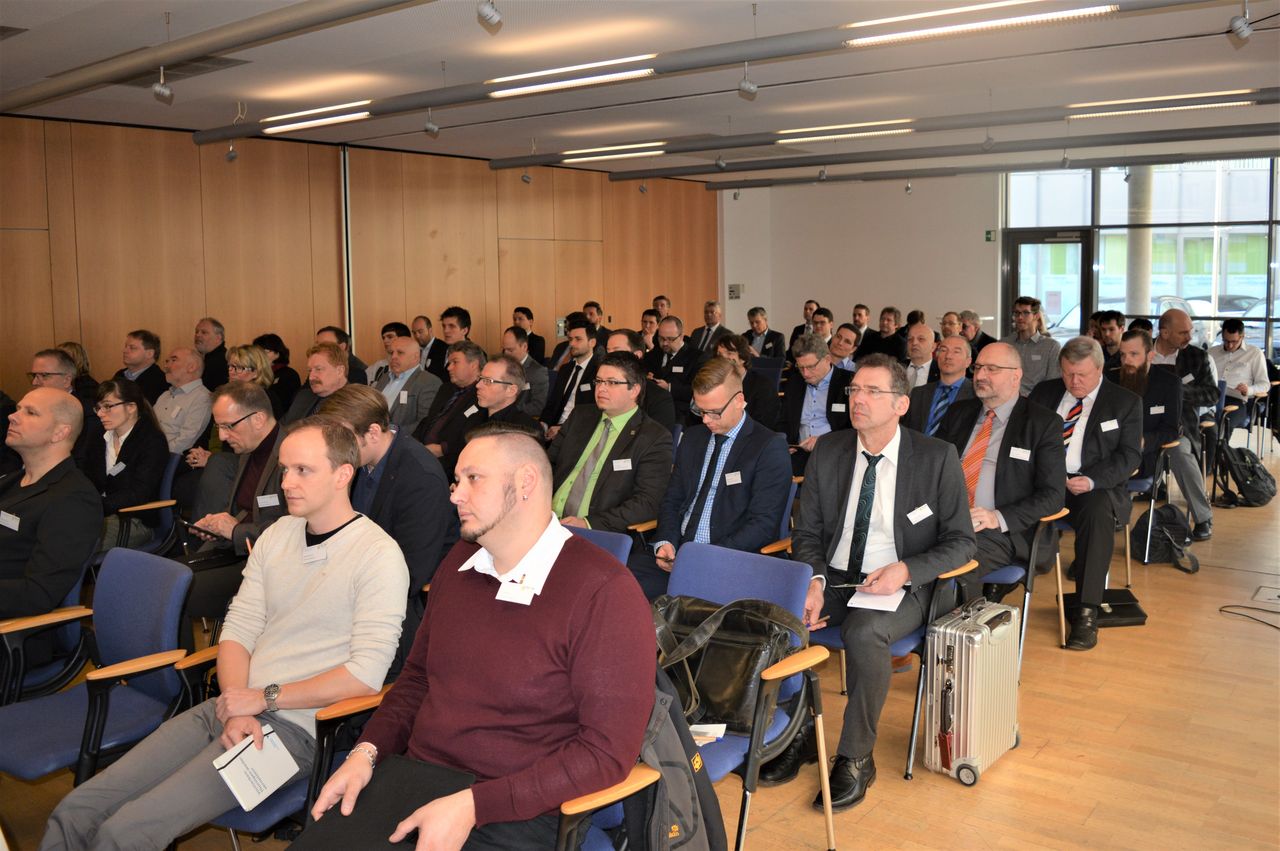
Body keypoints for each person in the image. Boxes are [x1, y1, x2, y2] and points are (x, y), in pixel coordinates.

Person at [42, 419, 409, 851]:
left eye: (303, 470)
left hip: (298, 733)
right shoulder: (278, 534)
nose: (286, 482)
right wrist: (237, 704)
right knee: (77, 808)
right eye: (285, 469)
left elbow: (364, 676)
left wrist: (262, 699)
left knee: (125, 832)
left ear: (343, 474)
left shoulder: (378, 555)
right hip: (231, 707)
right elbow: (239, 627)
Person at [309, 422, 655, 849]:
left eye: (473, 479)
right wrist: (366, 753)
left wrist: (475, 805)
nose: (455, 495)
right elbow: (416, 681)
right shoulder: (461, 561)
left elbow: (605, 753)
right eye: (457, 480)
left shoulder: (604, 591)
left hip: (518, 808)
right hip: (418, 778)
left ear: (525, 482)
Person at [768, 355, 974, 807]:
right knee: (783, 618)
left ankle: (856, 756)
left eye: (872, 392)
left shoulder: (935, 457)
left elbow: (962, 541)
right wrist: (814, 581)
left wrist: (906, 570)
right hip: (837, 577)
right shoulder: (830, 450)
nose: (858, 399)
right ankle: (798, 735)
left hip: (902, 584)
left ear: (901, 404)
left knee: (864, 632)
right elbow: (807, 533)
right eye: (854, 390)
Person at [320, 385, 457, 677]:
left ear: (372, 432)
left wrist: (338, 590)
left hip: (398, 606)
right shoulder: (359, 461)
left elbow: (411, 573)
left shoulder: (420, 477)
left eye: (343, 438)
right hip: (355, 583)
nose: (335, 448)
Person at [634, 357, 791, 599]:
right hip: (680, 553)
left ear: (739, 400)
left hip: (729, 561)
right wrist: (666, 541)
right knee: (617, 582)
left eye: (714, 412)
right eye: (700, 410)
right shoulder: (693, 438)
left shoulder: (768, 447)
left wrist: (703, 558)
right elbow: (672, 500)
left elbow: (763, 524)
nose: (706, 420)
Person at [1028, 337, 1142, 650]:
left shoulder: (1124, 402)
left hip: (1090, 487)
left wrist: (1092, 480)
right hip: (1043, 482)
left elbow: (1130, 456)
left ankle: (1087, 611)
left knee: (1097, 512)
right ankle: (996, 584)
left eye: (1082, 375)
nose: (1074, 381)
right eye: (1068, 374)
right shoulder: (1044, 393)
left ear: (1100, 369)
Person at [935, 342, 1065, 601]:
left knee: (946, 565)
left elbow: (1053, 495)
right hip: (945, 519)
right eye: (978, 368)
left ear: (1016, 376)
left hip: (1000, 532)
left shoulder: (1042, 423)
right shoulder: (959, 413)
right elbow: (933, 469)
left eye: (992, 369)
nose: (980, 375)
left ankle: (960, 623)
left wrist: (998, 517)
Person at [1, 388, 102, 629]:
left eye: (30, 412)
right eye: (18, 409)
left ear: (60, 432)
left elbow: (38, 594)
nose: (12, 416)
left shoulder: (74, 499)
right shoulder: (13, 481)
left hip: (17, 628)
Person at [548, 352, 672, 533]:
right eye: (598, 381)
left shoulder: (654, 438)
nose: (601, 389)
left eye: (612, 383)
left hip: (596, 531)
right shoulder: (580, 416)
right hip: (547, 520)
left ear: (634, 390)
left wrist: (588, 523)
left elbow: (646, 503)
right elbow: (548, 465)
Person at [1152, 308, 1218, 541]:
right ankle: (1114, 514)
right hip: (1142, 426)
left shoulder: (1196, 357)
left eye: (1190, 331)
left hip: (1179, 428)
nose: (1189, 337)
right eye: (1183, 333)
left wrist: (1178, 391)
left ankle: (1202, 517)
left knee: (1180, 452)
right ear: (1164, 332)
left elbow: (1212, 394)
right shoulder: (1141, 352)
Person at [87, 380, 170, 551]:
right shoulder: (99, 435)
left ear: (131, 407)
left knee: (72, 543)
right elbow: (85, 476)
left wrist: (96, 506)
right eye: (98, 408)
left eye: (107, 406)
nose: (100, 413)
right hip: (97, 513)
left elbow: (139, 493)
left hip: (134, 519)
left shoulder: (152, 440)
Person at [1110, 329, 1182, 479]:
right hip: (1108, 449)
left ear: (1150, 356)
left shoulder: (1169, 384)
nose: (1126, 361)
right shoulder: (1110, 380)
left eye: (1134, 354)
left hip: (1144, 454)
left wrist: (1144, 440)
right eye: (1123, 355)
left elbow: (1170, 430)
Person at [781, 333, 854, 476]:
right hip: (799, 452)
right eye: (801, 367)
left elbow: (854, 429)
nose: (805, 374)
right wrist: (784, 443)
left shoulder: (848, 382)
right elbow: (783, 420)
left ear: (827, 359)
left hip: (835, 453)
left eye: (810, 367)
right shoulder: (795, 382)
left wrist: (823, 441)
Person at [414, 341, 488, 480]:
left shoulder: (483, 394)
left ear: (474, 365)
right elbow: (428, 420)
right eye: (449, 363)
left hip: (451, 462)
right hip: (424, 454)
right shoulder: (446, 389)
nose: (449, 368)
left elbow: (474, 433)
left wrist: (443, 449)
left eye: (455, 362)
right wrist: (414, 442)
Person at [28, 348, 102, 472]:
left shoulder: (86, 415)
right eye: (34, 376)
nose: (35, 382)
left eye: (44, 376)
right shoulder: (28, 410)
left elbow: (83, 463)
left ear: (67, 380)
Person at [542, 315, 600, 439]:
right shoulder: (565, 369)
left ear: (592, 342)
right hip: (554, 428)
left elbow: (594, 413)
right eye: (570, 339)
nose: (571, 344)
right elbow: (552, 403)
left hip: (578, 432)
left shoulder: (599, 371)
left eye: (578, 339)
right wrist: (544, 424)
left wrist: (563, 429)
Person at [1209, 317, 1270, 433]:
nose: (1230, 345)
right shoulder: (1211, 352)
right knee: (1200, 421)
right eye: (1226, 341)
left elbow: (1265, 385)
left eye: (1234, 341)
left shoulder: (1254, 353)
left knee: (1224, 424)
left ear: (1242, 337)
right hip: (1211, 397)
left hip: (1236, 400)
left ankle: (1221, 445)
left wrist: (1249, 390)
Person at [904, 335, 974, 435]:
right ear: (937, 357)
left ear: (968, 361)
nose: (948, 356)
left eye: (956, 352)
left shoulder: (976, 395)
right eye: (943, 350)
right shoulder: (918, 393)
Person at [607, 330, 676, 430]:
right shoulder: (601, 389)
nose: (608, 358)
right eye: (608, 351)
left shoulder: (658, 398)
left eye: (616, 351)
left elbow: (657, 436)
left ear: (637, 355)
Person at [372, 335, 441, 436]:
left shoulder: (428, 382)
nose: (393, 357)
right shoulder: (384, 378)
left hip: (401, 440)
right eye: (391, 353)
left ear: (415, 357)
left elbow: (425, 423)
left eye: (400, 353)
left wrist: (390, 434)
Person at [715, 333, 780, 430]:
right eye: (719, 355)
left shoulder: (763, 386)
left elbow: (764, 423)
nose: (723, 358)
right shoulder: (714, 382)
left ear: (743, 358)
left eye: (729, 353)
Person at [154, 347, 212, 454]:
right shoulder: (164, 395)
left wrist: (153, 451)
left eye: (173, 360)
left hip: (170, 458)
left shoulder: (202, 397)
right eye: (167, 361)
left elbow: (185, 442)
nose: (166, 366)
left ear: (191, 367)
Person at [644, 315, 703, 419]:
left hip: (681, 415)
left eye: (670, 339)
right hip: (653, 411)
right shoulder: (652, 355)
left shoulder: (697, 357)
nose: (665, 343)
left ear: (681, 336)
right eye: (661, 338)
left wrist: (669, 388)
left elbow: (698, 391)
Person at [1002, 297, 1061, 395]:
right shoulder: (1004, 344)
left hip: (1037, 399)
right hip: (1007, 397)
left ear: (1036, 316)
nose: (1020, 317)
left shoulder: (1051, 346)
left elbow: (1053, 382)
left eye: (1025, 313)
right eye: (1017, 313)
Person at [284, 342, 350, 424]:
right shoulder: (303, 397)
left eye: (318, 369)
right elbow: (283, 427)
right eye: (309, 370)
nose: (311, 377)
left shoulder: (355, 402)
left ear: (339, 371)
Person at [474, 355, 540, 431]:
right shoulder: (474, 418)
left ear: (511, 390)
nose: (478, 385)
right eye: (480, 378)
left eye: (488, 381)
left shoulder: (526, 430)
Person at [500, 326, 548, 419]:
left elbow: (538, 406)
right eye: (504, 349)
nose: (506, 354)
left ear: (524, 347)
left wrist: (508, 410)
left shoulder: (537, 372)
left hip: (518, 419)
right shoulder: (503, 366)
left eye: (510, 350)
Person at [113, 329, 167, 404]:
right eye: (126, 346)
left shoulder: (159, 381)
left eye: (132, 348)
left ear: (149, 354)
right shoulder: (120, 375)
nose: (125, 351)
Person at [252, 333, 302, 413]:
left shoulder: (288, 375)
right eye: (257, 353)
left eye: (264, 352)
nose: (260, 357)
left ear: (277, 354)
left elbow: (284, 405)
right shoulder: (254, 374)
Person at [194, 317, 229, 391]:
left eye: (204, 332)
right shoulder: (207, 359)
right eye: (196, 332)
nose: (198, 335)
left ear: (218, 337)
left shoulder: (222, 361)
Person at [412, 314, 450, 382]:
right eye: (414, 333)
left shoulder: (444, 348)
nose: (417, 336)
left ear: (430, 330)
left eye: (420, 332)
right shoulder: (413, 350)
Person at [903, 322, 939, 389]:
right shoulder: (897, 367)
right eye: (910, 339)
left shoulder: (941, 372)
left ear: (933, 347)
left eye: (921, 339)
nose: (914, 343)